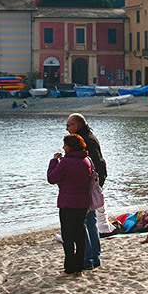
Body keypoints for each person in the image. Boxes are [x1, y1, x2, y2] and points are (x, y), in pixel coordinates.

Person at [47, 133, 94, 276]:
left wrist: (53, 162)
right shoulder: (86, 160)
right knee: (80, 235)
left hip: (67, 203)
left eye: (65, 145)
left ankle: (69, 268)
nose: (63, 147)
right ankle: (79, 268)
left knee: (68, 237)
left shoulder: (66, 162)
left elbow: (51, 178)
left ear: (71, 147)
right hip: (83, 203)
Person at [66, 113, 107, 270]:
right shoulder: (88, 137)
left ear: (76, 126)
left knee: (85, 222)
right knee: (90, 222)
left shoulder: (86, 140)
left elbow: (95, 164)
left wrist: (93, 186)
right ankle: (93, 257)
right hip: (91, 186)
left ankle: (89, 258)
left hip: (87, 187)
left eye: (68, 126)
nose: (67, 129)